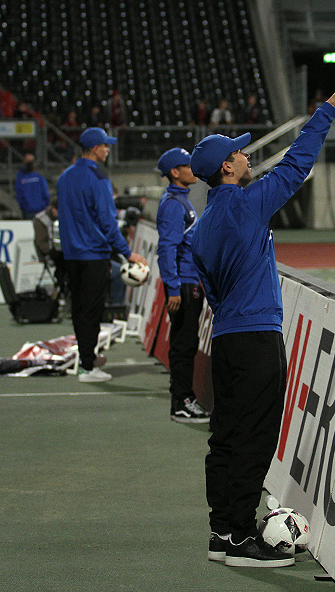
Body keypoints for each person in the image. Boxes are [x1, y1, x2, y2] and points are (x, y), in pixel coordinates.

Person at [190, 67, 335, 568]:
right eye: (239, 153)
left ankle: (222, 530)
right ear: (227, 167)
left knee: (225, 435)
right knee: (256, 437)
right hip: (257, 337)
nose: (247, 156)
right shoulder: (246, 206)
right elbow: (296, 164)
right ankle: (241, 537)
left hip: (226, 339)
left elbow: (212, 291)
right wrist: (326, 110)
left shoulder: (201, 228)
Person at [57, 127, 146, 383]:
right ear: (96, 149)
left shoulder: (64, 177)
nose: (108, 150)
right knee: (92, 311)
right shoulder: (99, 179)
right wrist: (127, 253)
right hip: (94, 255)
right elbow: (108, 223)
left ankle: (87, 358)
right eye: (105, 146)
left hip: (71, 254)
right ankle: (88, 366)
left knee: (79, 309)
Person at [155, 147, 209, 424]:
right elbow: (167, 248)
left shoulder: (179, 200)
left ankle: (183, 399)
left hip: (187, 282)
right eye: (187, 165)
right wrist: (174, 288)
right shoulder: (174, 205)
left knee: (185, 343)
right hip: (184, 284)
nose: (193, 168)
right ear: (175, 172)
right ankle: (182, 402)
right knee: (184, 345)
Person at [32, 199, 67, 300]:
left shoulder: (64, 217)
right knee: (64, 264)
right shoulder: (41, 220)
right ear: (54, 209)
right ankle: (62, 290)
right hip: (49, 251)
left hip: (62, 250)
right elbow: (41, 242)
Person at [15, 153, 50, 220]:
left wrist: (24, 206)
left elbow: (19, 194)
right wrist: (45, 204)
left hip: (31, 209)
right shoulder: (40, 178)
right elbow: (46, 194)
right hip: (36, 209)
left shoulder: (22, 179)